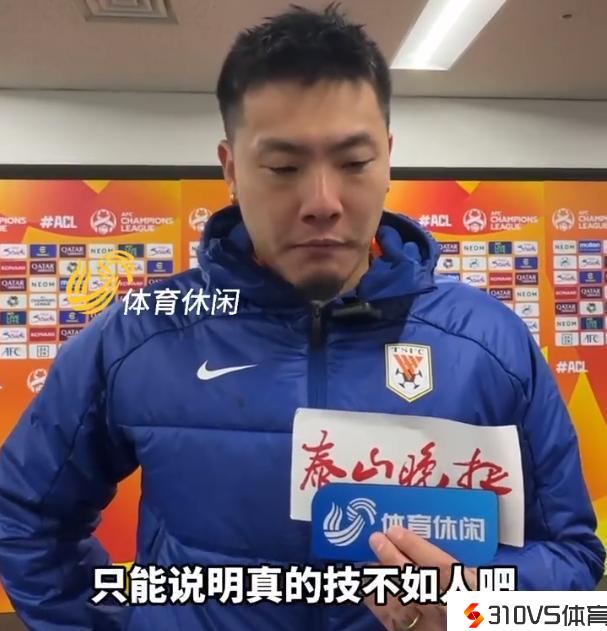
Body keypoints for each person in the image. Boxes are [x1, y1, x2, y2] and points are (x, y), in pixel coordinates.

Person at [0, 4, 604, 630]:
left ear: (389, 159)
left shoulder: (489, 344)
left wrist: (480, 612)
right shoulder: (140, 334)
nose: (322, 202)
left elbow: (573, 556)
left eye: (354, 162)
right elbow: (24, 516)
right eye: (284, 168)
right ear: (231, 169)